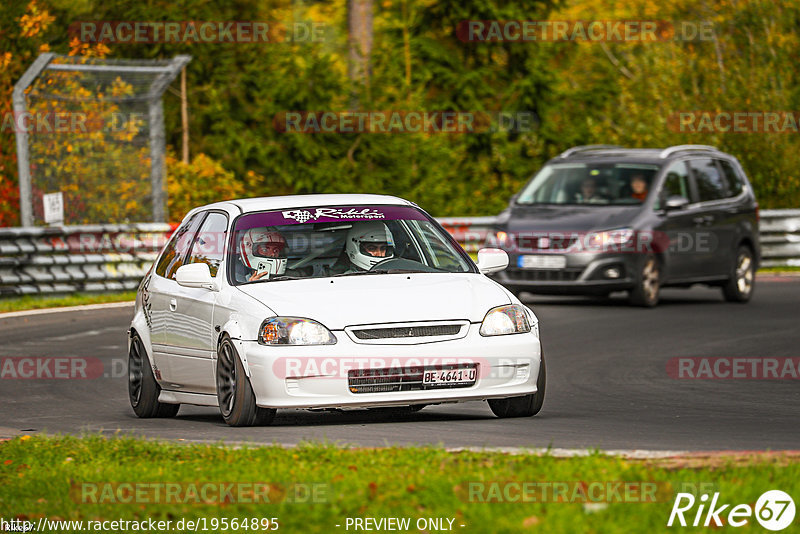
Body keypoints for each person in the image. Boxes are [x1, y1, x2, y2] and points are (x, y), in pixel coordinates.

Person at [329, 221, 395, 274]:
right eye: (372, 248)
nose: (379, 254)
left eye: (383, 248)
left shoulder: (398, 274)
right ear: (353, 248)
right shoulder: (345, 281)